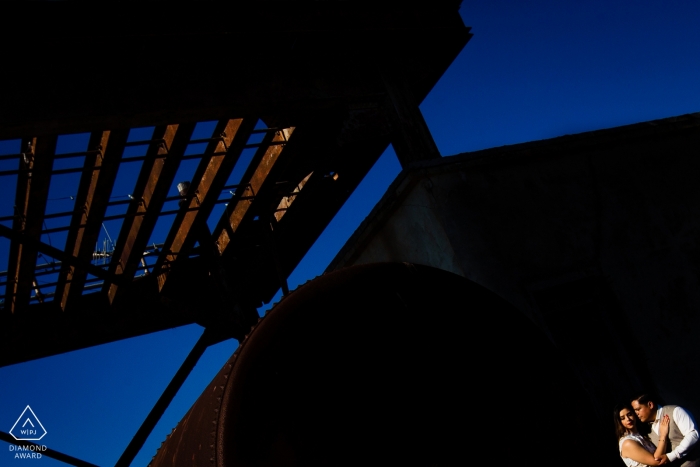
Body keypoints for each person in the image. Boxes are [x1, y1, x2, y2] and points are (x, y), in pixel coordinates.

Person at [632, 394, 700, 467]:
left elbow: (693, 434)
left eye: (638, 409)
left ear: (650, 405)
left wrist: (671, 456)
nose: (636, 414)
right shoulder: (647, 429)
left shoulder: (675, 411)